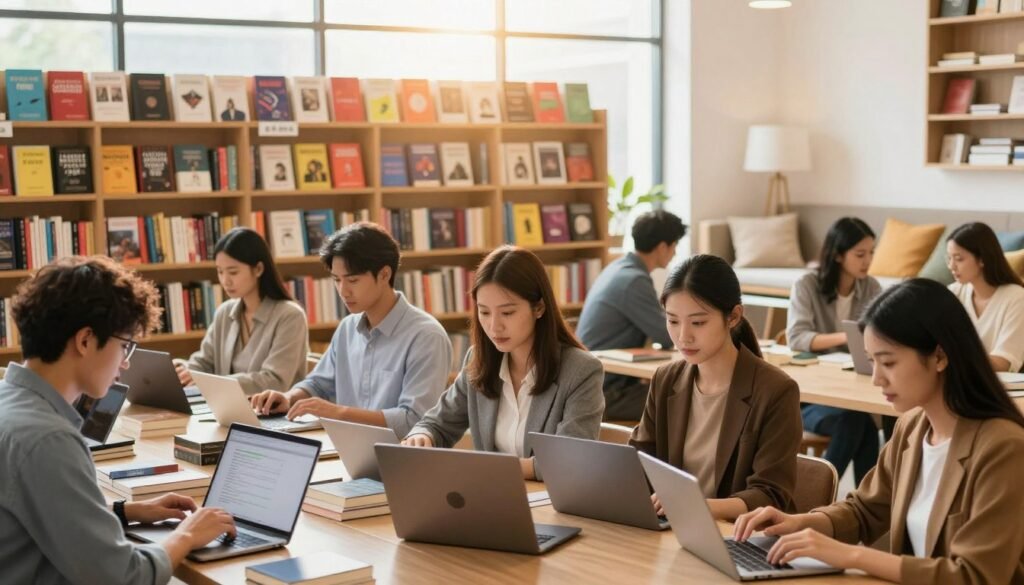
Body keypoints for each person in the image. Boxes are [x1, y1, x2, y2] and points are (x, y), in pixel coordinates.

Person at [734, 278, 1024, 584]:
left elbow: (975, 575)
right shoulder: (913, 427)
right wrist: (800, 523)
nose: (876, 379)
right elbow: (863, 510)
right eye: (872, 362)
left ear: (939, 356)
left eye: (888, 362)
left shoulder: (1004, 448)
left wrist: (853, 556)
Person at [0, 256, 236, 584]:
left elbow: (39, 513)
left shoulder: (10, 403)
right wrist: (187, 534)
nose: (125, 363)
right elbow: (123, 577)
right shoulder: (48, 439)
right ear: (85, 340)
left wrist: (124, 512)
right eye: (125, 346)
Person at [403, 246, 604, 480]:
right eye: (484, 312)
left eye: (507, 313)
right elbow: (437, 423)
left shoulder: (581, 370)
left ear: (539, 308)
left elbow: (570, 460)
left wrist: (493, 468)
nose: (494, 326)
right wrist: (422, 436)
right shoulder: (478, 360)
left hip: (550, 499)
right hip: (492, 495)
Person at [629, 254, 801, 521]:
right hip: (672, 527)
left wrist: (697, 505)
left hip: (737, 534)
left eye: (698, 322)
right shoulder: (666, 379)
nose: (683, 336)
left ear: (733, 317)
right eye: (673, 321)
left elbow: (771, 494)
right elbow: (638, 461)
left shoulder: (776, 390)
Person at [250, 222, 452, 438]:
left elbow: (414, 421)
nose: (343, 291)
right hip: (346, 448)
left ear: (385, 274)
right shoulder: (347, 328)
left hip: (398, 455)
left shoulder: (426, 337)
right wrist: (289, 398)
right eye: (336, 280)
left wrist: (339, 413)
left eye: (353, 280)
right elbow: (318, 384)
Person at [786, 217, 883, 484]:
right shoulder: (807, 285)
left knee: (860, 421)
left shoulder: (871, 287)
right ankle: (830, 494)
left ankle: (842, 498)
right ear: (838, 254)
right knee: (859, 423)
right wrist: (849, 336)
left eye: (871, 253)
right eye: (860, 254)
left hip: (849, 392)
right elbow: (797, 337)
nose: (868, 261)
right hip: (810, 399)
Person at [577, 210, 687, 421]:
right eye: (674, 246)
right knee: (685, 399)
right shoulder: (633, 281)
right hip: (605, 392)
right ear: (662, 247)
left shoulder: (617, 268)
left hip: (594, 384)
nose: (674, 253)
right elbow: (668, 334)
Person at [175, 227, 308, 395]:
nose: (225, 281)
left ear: (258, 269)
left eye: (233, 272)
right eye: (220, 271)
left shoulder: (290, 316)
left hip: (274, 410)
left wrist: (211, 381)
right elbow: (204, 363)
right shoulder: (225, 312)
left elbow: (274, 381)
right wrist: (184, 369)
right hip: (225, 406)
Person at [946, 221, 1024, 372]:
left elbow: (1003, 363)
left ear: (982, 259)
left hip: (998, 384)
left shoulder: (1017, 298)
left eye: (959, 258)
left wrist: (953, 357)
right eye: (949, 258)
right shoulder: (954, 292)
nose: (951, 266)